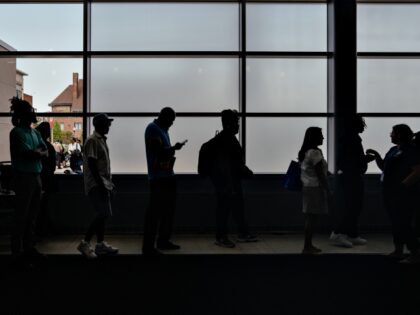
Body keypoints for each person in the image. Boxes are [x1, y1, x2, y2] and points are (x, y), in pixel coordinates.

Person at [367, 124, 420, 263]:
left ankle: (415, 253)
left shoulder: (411, 151)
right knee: (396, 222)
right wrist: (377, 156)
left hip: (404, 193)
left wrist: (402, 186)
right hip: (389, 191)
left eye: (393, 133)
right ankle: (398, 250)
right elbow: (385, 167)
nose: (390, 135)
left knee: (404, 222)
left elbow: (417, 171)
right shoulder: (393, 150)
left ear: (400, 135)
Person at [207, 109, 257, 248]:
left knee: (234, 207)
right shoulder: (227, 140)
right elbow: (229, 163)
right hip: (228, 182)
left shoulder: (224, 138)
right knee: (225, 209)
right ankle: (222, 237)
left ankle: (241, 232)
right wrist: (232, 181)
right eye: (236, 122)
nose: (238, 125)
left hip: (228, 181)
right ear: (229, 123)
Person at [9, 97, 48, 269]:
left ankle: (28, 248)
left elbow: (43, 151)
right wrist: (38, 152)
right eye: (31, 111)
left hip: (34, 176)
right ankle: (18, 253)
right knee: (22, 217)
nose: (33, 113)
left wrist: (36, 152)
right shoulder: (17, 132)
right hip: (24, 177)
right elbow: (29, 154)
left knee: (31, 216)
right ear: (24, 114)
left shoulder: (34, 132)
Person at [142, 107, 185, 255]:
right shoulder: (153, 129)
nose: (172, 124)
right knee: (155, 214)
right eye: (171, 120)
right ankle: (149, 246)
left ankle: (162, 241)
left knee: (167, 212)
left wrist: (172, 149)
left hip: (166, 176)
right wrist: (174, 148)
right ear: (163, 117)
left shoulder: (162, 129)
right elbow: (158, 150)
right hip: (159, 178)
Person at [77, 113, 118, 259]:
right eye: (107, 123)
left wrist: (107, 185)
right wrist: (101, 186)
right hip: (96, 184)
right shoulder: (93, 141)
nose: (109, 126)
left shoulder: (99, 140)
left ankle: (100, 244)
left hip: (102, 183)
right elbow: (93, 166)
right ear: (100, 124)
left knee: (104, 214)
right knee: (103, 213)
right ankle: (85, 242)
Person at [330, 114, 375, 247]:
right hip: (352, 177)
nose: (363, 127)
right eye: (361, 124)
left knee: (353, 206)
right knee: (352, 206)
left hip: (349, 176)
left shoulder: (347, 138)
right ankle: (338, 233)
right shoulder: (352, 139)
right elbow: (350, 161)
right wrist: (365, 159)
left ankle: (351, 234)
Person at [298, 127, 330, 254]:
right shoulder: (315, 153)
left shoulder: (305, 152)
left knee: (310, 217)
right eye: (321, 135)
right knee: (312, 218)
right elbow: (320, 174)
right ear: (314, 137)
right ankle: (307, 246)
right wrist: (328, 190)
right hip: (315, 188)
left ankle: (308, 245)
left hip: (307, 187)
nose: (323, 137)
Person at [35, 122, 56, 237]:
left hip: (38, 180)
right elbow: (52, 167)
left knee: (37, 209)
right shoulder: (49, 147)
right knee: (43, 208)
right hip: (47, 182)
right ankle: (44, 230)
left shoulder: (36, 146)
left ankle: (40, 231)